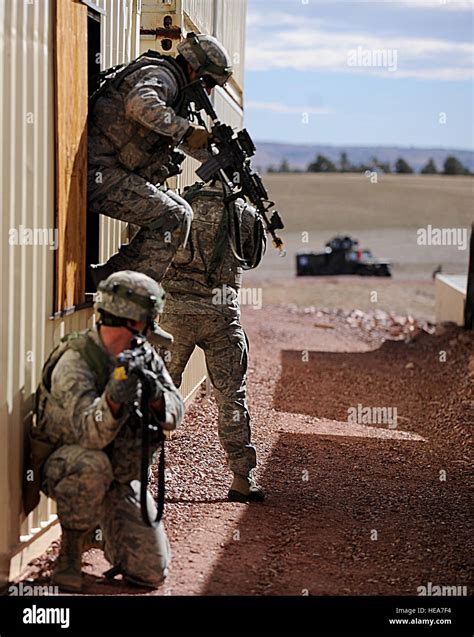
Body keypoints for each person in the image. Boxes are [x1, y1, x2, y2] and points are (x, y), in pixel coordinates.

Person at [28, 271, 184, 592]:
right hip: (69, 465)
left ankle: (102, 532)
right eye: (149, 321)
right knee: (91, 464)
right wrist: (113, 398)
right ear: (133, 320)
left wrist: (156, 399)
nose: (152, 330)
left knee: (151, 572)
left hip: (119, 474)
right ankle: (70, 550)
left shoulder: (142, 354)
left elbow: (174, 412)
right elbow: (89, 436)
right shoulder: (76, 361)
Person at [88, 32, 232, 287]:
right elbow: (139, 104)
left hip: (112, 172)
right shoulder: (163, 76)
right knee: (172, 216)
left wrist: (221, 156)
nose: (208, 90)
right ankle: (130, 297)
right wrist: (187, 130)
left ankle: (105, 279)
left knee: (183, 212)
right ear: (192, 67)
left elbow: (184, 139)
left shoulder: (174, 90)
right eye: (208, 81)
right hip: (95, 173)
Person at [157, 180, 267, 502]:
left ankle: (138, 475)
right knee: (231, 396)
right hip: (220, 314)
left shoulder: (177, 202)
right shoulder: (243, 212)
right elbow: (252, 255)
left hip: (175, 313)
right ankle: (242, 479)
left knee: (156, 390)